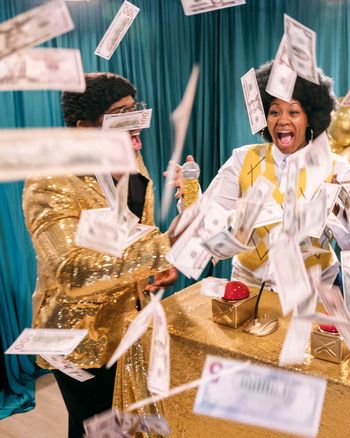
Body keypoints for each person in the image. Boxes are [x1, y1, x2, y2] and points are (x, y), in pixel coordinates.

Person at [22, 72, 176, 438]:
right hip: (78, 340)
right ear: (84, 128)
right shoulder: (50, 178)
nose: (137, 119)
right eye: (121, 113)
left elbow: (134, 235)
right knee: (96, 428)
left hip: (130, 325)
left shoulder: (131, 162)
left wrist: (157, 266)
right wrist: (163, 248)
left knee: (129, 424)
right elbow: (71, 269)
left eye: (135, 108)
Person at [176, 61, 350, 286]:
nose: (282, 120)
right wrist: (190, 194)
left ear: (310, 118)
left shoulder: (337, 168)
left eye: (293, 111)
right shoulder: (241, 159)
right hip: (250, 288)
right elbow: (207, 224)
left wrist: (338, 213)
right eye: (274, 111)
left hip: (314, 290)